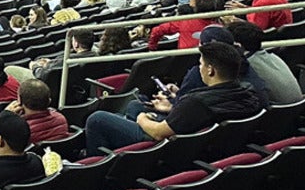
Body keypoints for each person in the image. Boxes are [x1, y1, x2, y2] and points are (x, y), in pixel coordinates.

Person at [84, 41, 264, 153]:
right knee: (134, 106)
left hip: (166, 146)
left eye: (200, 64)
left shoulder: (197, 102)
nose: (199, 68)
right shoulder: (247, 91)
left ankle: (99, 164)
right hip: (199, 134)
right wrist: (173, 108)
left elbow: (158, 133)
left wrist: (141, 119)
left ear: (211, 69)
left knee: (97, 119)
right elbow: (192, 113)